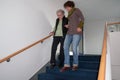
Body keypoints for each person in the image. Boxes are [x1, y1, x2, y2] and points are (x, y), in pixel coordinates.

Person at [61, 1, 84, 72]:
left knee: (74, 48)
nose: (66, 9)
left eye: (67, 7)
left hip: (76, 33)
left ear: (70, 6)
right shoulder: (69, 13)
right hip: (69, 32)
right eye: (66, 8)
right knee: (65, 47)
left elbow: (82, 18)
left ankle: (75, 64)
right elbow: (72, 22)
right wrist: (68, 26)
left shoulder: (77, 10)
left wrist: (80, 26)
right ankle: (66, 65)